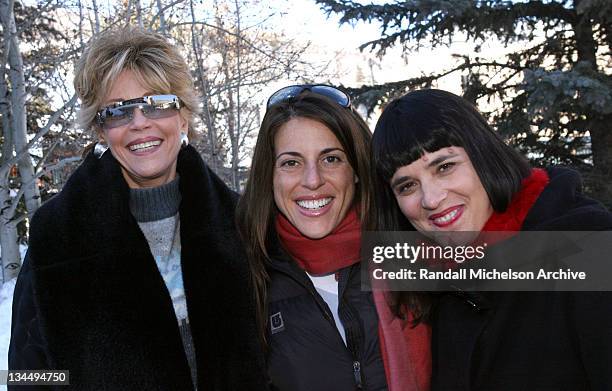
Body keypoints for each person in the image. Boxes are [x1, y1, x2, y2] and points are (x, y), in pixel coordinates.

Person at [9, 27, 268, 391]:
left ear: (183, 116)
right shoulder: (56, 235)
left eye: (157, 103)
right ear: (101, 130)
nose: (139, 123)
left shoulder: (242, 223)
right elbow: (27, 375)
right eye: (117, 111)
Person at [370, 88, 612, 390]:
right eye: (407, 186)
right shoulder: (440, 287)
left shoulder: (590, 256)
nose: (431, 199)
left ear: (484, 153)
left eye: (445, 167)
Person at [236, 85, 430, 391]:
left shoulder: (417, 249)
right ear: (270, 176)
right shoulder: (247, 273)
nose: (312, 180)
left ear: (355, 169)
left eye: (331, 159)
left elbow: (528, 266)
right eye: (291, 162)